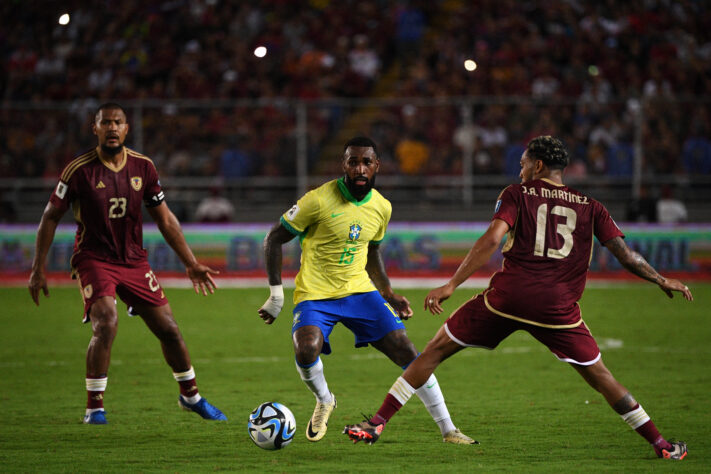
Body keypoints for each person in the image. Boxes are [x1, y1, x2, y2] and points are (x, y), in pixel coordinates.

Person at [344, 136, 693, 461]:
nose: (520, 170)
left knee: (434, 351)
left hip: (507, 299)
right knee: (602, 377)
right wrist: (661, 279)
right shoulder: (592, 207)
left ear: (538, 166)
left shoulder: (517, 194)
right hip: (559, 310)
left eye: (524, 164)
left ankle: (376, 423)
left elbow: (492, 239)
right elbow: (626, 255)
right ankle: (662, 445)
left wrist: (451, 285)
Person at [258, 136, 474, 444]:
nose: (360, 168)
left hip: (360, 292)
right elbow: (274, 239)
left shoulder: (381, 207)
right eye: (353, 162)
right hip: (316, 295)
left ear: (376, 166)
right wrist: (276, 294)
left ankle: (448, 430)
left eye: (366, 162)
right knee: (306, 347)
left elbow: (372, 251)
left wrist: (387, 292)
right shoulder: (317, 200)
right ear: (343, 165)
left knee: (408, 351)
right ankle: (324, 399)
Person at [28, 103, 227, 424]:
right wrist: (38, 268)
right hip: (93, 258)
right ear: (95, 129)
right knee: (106, 322)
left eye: (117, 122)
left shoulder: (143, 167)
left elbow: (165, 220)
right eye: (104, 122)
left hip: (134, 261)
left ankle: (191, 397)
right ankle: (95, 409)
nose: (111, 128)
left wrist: (190, 262)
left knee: (170, 330)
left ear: (126, 128)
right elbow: (50, 217)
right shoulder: (78, 170)